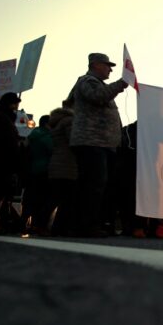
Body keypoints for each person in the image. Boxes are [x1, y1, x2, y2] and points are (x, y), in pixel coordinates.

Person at [68, 53, 129, 237]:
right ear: (95, 65)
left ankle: (93, 223)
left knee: (99, 185)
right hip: (91, 143)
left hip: (103, 145)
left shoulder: (98, 84)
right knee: (93, 185)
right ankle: (86, 226)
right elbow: (97, 97)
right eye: (107, 65)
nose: (110, 69)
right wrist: (121, 83)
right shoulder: (87, 81)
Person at [0, 92, 23, 233]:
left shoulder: (5, 116)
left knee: (2, 193)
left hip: (6, 160)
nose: (17, 105)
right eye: (15, 102)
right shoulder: (1, 116)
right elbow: (4, 140)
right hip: (1, 160)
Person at [46, 101, 77, 236]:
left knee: (54, 197)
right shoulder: (69, 121)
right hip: (67, 164)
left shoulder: (57, 122)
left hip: (57, 164)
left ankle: (42, 225)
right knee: (66, 199)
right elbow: (73, 140)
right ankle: (59, 227)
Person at [25, 115, 53, 236]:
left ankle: (24, 223)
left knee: (30, 198)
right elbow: (52, 149)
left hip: (32, 169)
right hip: (44, 169)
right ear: (47, 124)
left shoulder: (32, 134)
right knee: (41, 199)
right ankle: (37, 225)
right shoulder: (46, 136)